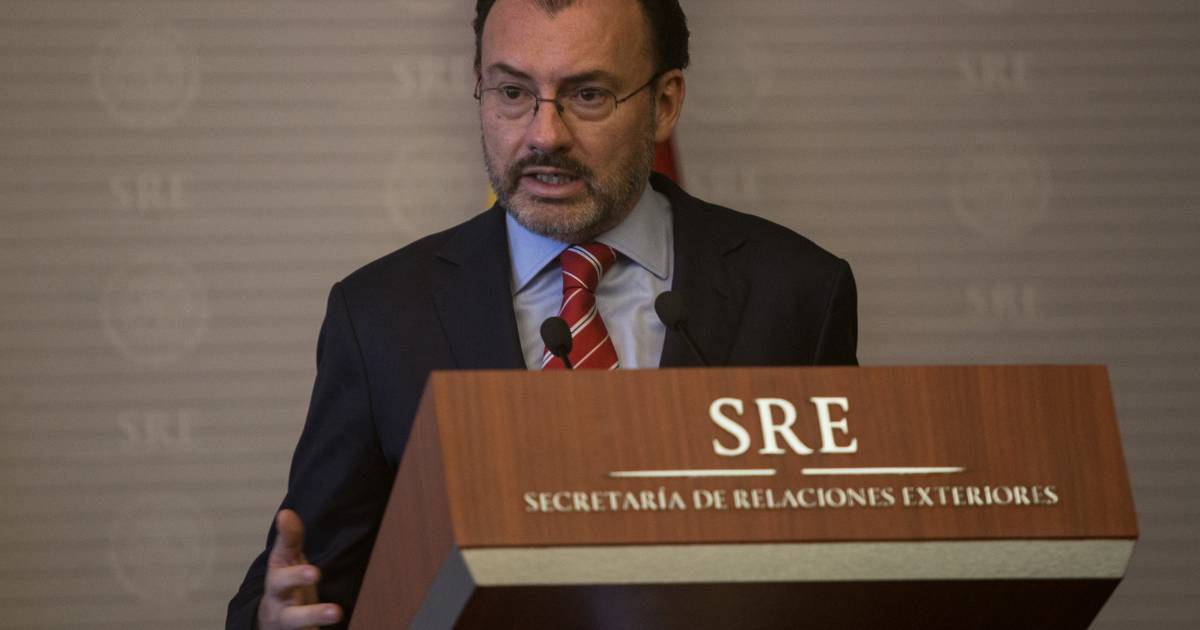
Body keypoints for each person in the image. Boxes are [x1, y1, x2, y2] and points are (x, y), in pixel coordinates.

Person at [227, 0, 858, 628]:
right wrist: (274, 618)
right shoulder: (382, 316)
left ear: (665, 103)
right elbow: (307, 582)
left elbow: (852, 561)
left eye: (588, 95)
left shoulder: (797, 291)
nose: (544, 135)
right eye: (512, 92)